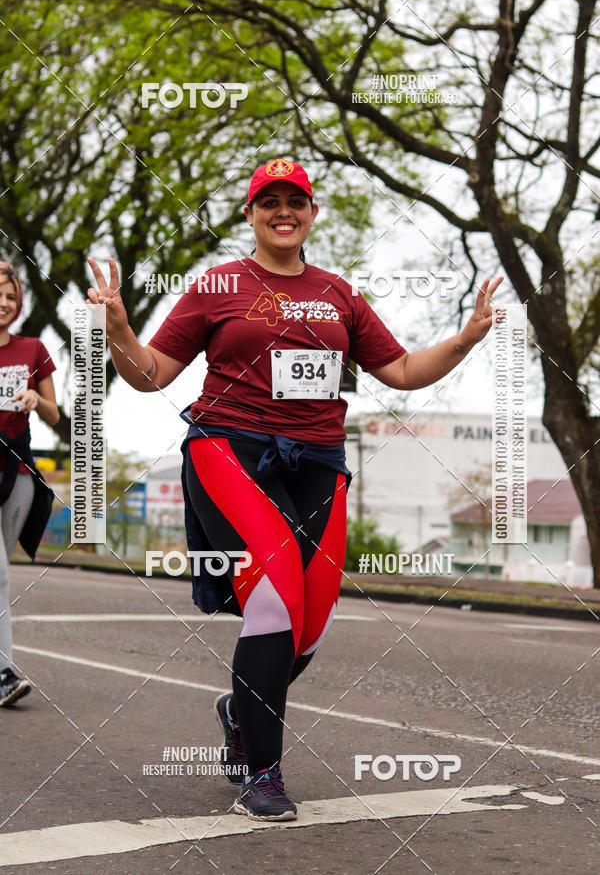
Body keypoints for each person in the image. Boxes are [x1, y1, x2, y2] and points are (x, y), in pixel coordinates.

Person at [87, 158, 502, 821]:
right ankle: (265, 773)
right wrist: (117, 330)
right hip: (231, 449)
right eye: (269, 201)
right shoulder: (218, 285)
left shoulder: (339, 293)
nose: (284, 211)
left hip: (318, 458)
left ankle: (238, 710)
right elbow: (151, 373)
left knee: (309, 625)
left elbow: (398, 368)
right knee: (274, 600)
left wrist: (466, 339)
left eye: (296, 200)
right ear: (250, 214)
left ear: (311, 212)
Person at [0, 262, 59, 708]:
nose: (4, 304)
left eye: (10, 296)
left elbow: (56, 414)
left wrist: (38, 400)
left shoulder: (33, 348)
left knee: (1, 577)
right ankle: (4, 672)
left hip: (17, 473)